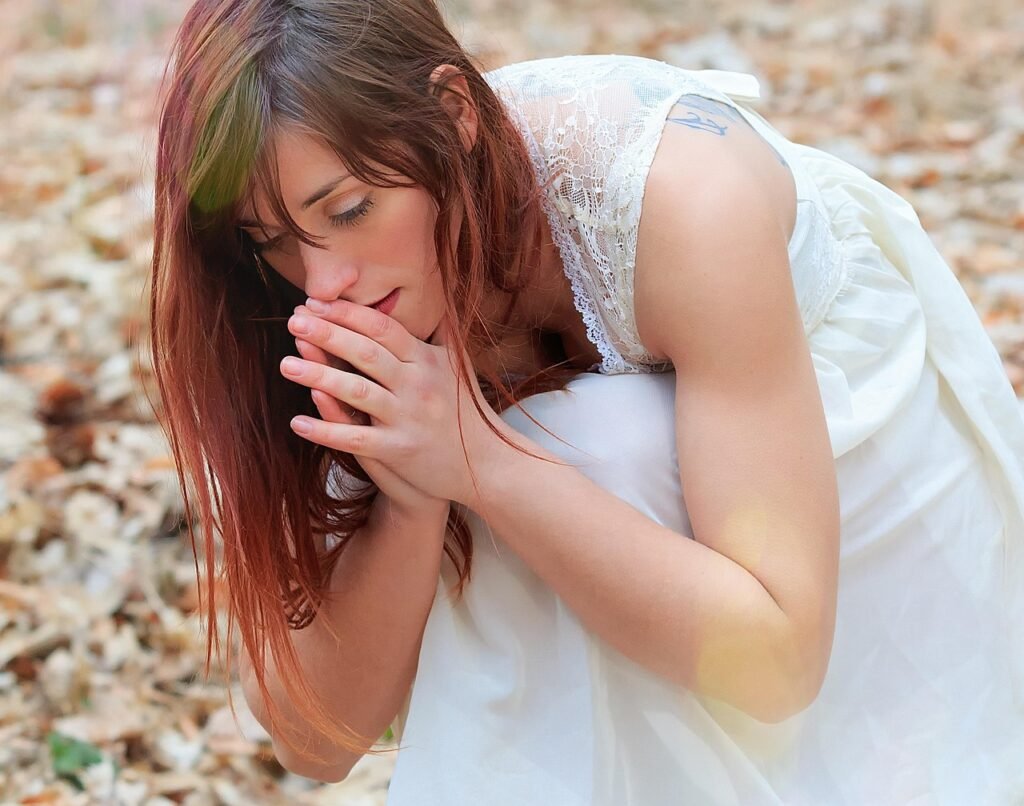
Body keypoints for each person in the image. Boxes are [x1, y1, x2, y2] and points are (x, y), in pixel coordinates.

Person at [148, 0, 1024, 803]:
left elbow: (778, 658)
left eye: (350, 208)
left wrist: (482, 460)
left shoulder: (677, 202)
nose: (324, 281)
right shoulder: (295, 307)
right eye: (272, 239)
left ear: (454, 114)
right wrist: (414, 498)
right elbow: (312, 740)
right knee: (522, 489)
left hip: (846, 470)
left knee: (580, 445)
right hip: (639, 535)